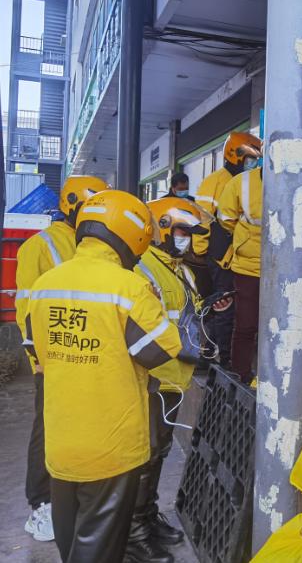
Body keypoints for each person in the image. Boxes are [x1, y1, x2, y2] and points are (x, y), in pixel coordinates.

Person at [24, 190, 182, 563]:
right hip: (111, 449)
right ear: (132, 238)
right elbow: (163, 349)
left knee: (72, 537)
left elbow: (37, 350)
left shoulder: (46, 285)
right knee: (98, 547)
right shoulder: (128, 288)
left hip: (61, 445)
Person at [14, 174, 109, 543]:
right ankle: (41, 502)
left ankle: (71, 497)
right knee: (48, 429)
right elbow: (27, 307)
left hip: (90, 355)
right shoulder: (40, 247)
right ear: (71, 207)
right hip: (53, 359)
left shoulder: (97, 244)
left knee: (79, 429)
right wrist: (39, 356)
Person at [127, 197, 211, 563]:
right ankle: (133, 534)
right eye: (181, 231)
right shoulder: (142, 269)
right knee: (143, 457)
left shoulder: (180, 269)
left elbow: (186, 316)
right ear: (161, 228)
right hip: (151, 379)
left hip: (174, 377)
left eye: (190, 234)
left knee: (158, 453)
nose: (186, 239)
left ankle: (147, 518)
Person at [192, 132, 262, 367]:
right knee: (223, 309)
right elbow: (203, 220)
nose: (253, 163)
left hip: (233, 255)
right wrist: (201, 252)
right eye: (250, 158)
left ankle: (224, 356)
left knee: (232, 309)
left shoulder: (247, 181)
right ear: (236, 155)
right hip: (220, 255)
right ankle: (219, 358)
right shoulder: (216, 182)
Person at [217, 165, 262, 383]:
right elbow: (225, 218)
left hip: (282, 269)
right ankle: (241, 374)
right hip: (248, 267)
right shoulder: (241, 183)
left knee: (272, 325)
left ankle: (256, 373)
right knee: (246, 324)